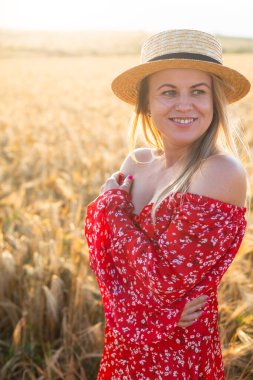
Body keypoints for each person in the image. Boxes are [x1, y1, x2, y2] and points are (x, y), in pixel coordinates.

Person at [85, 29, 251, 379]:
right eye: (168, 92)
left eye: (198, 92)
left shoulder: (221, 171)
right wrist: (145, 298)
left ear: (214, 101)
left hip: (178, 353)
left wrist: (110, 208)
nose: (184, 104)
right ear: (146, 103)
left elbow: (163, 281)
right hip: (123, 344)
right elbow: (103, 262)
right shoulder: (137, 162)